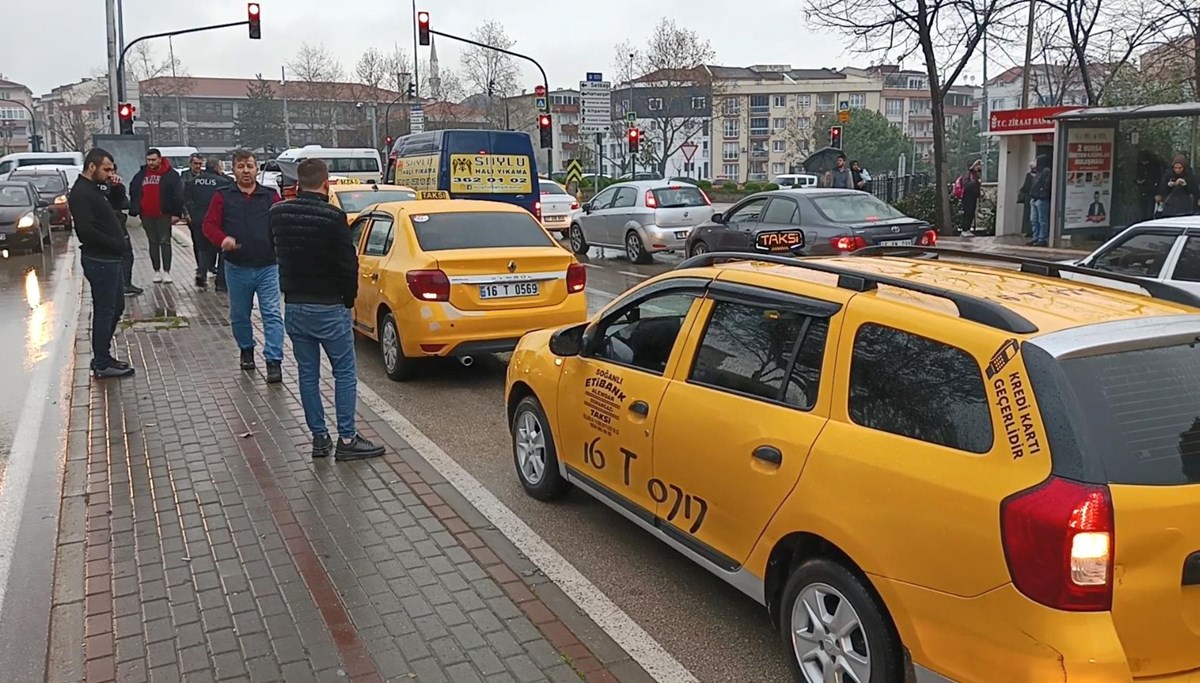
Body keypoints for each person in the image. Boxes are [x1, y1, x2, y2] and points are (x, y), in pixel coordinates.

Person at [270, 158, 385, 460]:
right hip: (329, 306)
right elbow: (348, 265)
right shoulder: (334, 217)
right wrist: (348, 301)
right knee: (344, 372)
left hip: (295, 305)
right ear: (326, 182)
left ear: (296, 183)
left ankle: (319, 438)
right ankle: (347, 439)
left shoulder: (278, 214)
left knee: (307, 375)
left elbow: (276, 251)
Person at [203, 149, 284, 384]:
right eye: (241, 166)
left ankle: (273, 361)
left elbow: (281, 222)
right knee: (239, 314)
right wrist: (222, 240)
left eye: (250, 166)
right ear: (234, 170)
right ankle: (246, 350)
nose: (246, 171)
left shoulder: (270, 196)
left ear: (257, 169)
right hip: (237, 267)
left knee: (271, 313)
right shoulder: (223, 196)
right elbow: (209, 225)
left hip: (268, 266)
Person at [69, 148, 134, 379]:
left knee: (116, 308)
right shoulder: (81, 193)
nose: (110, 173)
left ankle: (103, 357)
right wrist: (115, 244)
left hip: (110, 259)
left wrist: (117, 188)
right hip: (101, 260)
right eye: (106, 169)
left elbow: (120, 205)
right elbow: (86, 230)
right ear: (92, 166)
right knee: (105, 311)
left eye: (112, 169)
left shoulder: (96, 189)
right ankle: (101, 362)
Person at [129, 148, 185, 283]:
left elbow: (178, 195)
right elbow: (134, 188)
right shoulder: (142, 174)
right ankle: (156, 270)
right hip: (146, 214)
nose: (151, 163)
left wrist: (176, 213)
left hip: (164, 214)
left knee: (165, 242)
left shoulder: (171, 175)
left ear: (160, 159)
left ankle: (167, 271)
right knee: (153, 242)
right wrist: (136, 206)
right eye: (148, 160)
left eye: (153, 160)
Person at [185, 158, 233, 288]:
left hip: (199, 219)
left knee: (202, 248)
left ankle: (202, 273)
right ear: (217, 168)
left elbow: (186, 199)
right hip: (218, 220)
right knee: (222, 249)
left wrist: (189, 214)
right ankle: (221, 282)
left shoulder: (193, 182)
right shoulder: (224, 182)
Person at [1028, 154, 1052, 247]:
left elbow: (1046, 184)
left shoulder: (1046, 171)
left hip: (1041, 199)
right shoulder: (1038, 171)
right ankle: (1036, 237)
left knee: (1042, 220)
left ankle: (1042, 238)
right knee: (1034, 220)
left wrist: (1042, 194)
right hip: (1035, 198)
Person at [1135, 151, 1164, 222]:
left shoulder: (1155, 167)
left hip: (1152, 192)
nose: (1144, 163)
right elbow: (1136, 177)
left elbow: (1158, 179)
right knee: (1142, 212)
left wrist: (1157, 193)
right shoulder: (1139, 166)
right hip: (1142, 191)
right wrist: (1138, 181)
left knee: (1150, 213)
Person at [959, 159, 983, 237]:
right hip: (967, 196)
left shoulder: (977, 174)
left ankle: (968, 228)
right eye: (978, 165)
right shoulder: (968, 174)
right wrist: (975, 182)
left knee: (972, 213)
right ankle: (964, 229)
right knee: (967, 212)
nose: (980, 167)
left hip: (973, 196)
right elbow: (966, 185)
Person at [1017, 162, 1036, 237]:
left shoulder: (1029, 175)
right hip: (1033, 196)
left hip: (1028, 197)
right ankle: (1032, 231)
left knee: (1028, 215)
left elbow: (1025, 187)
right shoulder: (1037, 175)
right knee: (1034, 216)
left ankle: (1029, 231)